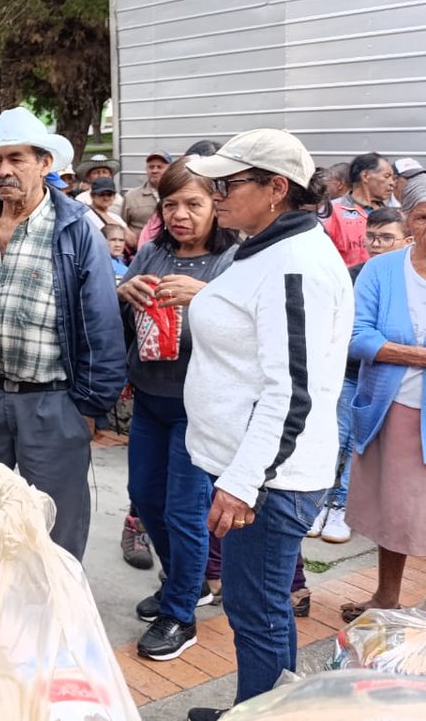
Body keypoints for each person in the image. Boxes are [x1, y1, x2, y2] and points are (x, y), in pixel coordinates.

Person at [181, 128, 352, 720]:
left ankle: (262, 712)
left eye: (228, 183)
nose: (216, 193)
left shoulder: (294, 266)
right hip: (251, 468)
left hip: (266, 479)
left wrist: (243, 480)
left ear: (277, 189)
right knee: (259, 609)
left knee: (258, 612)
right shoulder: (266, 247)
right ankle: (259, 709)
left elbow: (291, 391)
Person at [0, 107, 127, 561]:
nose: (3, 171)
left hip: (51, 402)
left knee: (54, 530)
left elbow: (102, 323)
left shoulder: (75, 228)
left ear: (45, 163)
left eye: (16, 159)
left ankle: (56, 623)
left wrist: (90, 406)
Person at [116, 157, 238, 661]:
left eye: (194, 203)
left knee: (186, 511)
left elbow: (248, 327)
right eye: (170, 204)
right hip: (150, 398)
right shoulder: (151, 253)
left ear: (217, 205)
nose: (180, 215)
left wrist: (206, 297)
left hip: (200, 406)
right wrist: (123, 291)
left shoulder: (232, 263)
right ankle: (182, 584)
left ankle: (182, 613)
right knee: (145, 497)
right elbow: (125, 309)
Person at [339, 179, 426, 623]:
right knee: (396, 510)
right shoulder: (382, 270)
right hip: (392, 411)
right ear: (408, 220)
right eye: (424, 216)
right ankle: (387, 597)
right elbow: (356, 336)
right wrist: (416, 356)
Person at [310, 206, 412, 545]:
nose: (377, 244)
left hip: (389, 380)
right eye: (372, 236)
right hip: (347, 373)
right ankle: (318, 503)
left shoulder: (412, 283)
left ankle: (341, 506)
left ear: (408, 240)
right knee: (335, 438)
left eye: (387, 238)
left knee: (359, 443)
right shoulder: (352, 274)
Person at [322, 151, 395, 267]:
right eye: (387, 176)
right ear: (366, 176)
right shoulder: (331, 212)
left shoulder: (393, 214)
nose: (392, 183)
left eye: (393, 178)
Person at [121, 150, 172, 249]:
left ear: (169, 169)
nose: (155, 170)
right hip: (138, 253)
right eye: (151, 167)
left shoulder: (176, 195)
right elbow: (122, 226)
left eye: (159, 167)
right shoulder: (131, 197)